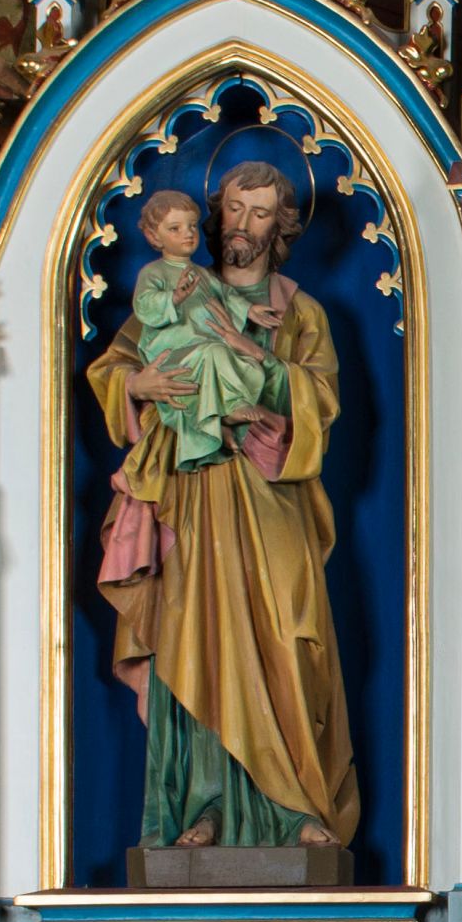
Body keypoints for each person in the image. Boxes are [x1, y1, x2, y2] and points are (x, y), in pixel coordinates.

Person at [86, 155, 360, 856]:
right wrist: (138, 384)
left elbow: (322, 399)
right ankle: (203, 808)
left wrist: (257, 357)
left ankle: (296, 807)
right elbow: (116, 365)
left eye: (259, 213)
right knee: (198, 640)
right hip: (191, 495)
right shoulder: (178, 290)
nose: (242, 224)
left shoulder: (299, 311)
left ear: (280, 226)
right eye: (234, 208)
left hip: (272, 497)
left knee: (286, 640)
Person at [123, 190, 276, 470]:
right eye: (175, 228)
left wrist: (249, 310)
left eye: (192, 226)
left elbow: (226, 295)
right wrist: (173, 298)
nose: (188, 233)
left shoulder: (202, 275)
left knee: (228, 359)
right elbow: (144, 305)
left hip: (203, 349)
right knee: (211, 354)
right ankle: (217, 422)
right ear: (154, 236)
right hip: (173, 354)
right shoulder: (153, 273)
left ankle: (222, 419)